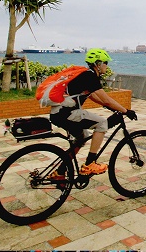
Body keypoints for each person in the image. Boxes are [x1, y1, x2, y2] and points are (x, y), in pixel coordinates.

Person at [50, 48, 137, 176]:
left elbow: (93, 96)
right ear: (98, 63)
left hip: (59, 114)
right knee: (102, 123)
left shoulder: (85, 74)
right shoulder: (90, 76)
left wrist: (110, 106)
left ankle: (60, 172)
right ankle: (90, 164)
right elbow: (105, 98)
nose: (107, 66)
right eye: (106, 62)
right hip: (68, 114)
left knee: (82, 138)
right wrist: (126, 111)